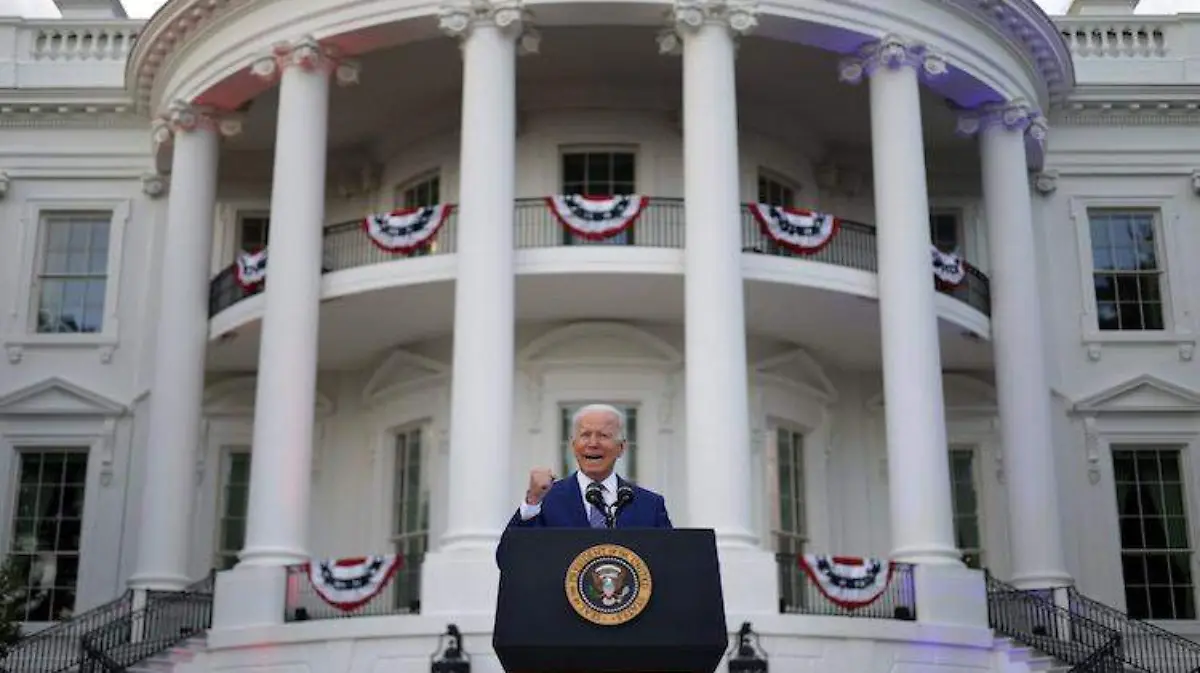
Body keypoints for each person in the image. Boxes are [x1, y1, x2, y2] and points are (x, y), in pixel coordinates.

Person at [507, 403, 672, 529]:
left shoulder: (650, 505)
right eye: (585, 435)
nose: (593, 443)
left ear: (621, 448)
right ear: (573, 446)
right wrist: (533, 501)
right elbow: (510, 556)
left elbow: (669, 557)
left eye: (603, 435)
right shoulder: (546, 499)